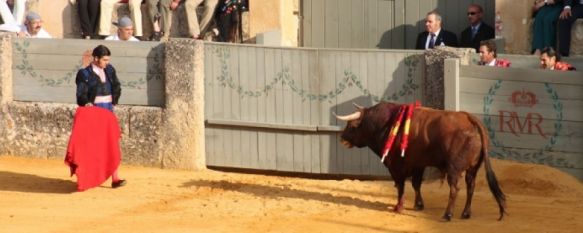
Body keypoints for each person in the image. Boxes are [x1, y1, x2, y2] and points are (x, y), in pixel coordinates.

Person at [67, 45, 125, 191]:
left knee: (111, 143)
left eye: (108, 60)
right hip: (94, 112)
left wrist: (114, 101)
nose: (107, 62)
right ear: (96, 58)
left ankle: (115, 178)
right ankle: (86, 177)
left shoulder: (110, 70)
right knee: (91, 146)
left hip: (108, 110)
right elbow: (81, 94)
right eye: (104, 60)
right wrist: (87, 104)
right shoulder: (84, 74)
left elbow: (117, 86)